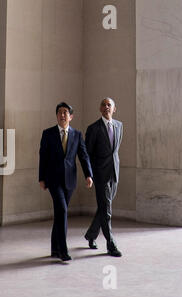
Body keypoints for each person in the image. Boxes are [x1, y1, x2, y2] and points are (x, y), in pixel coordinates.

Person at [39, 102, 93, 261]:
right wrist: (41, 177)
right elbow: (43, 157)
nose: (62, 115)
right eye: (60, 112)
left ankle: (54, 249)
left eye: (65, 112)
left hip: (70, 181)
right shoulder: (48, 134)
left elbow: (83, 156)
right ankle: (63, 250)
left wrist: (88, 175)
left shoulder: (77, 135)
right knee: (62, 211)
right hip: (53, 180)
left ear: (71, 116)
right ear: (56, 116)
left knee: (59, 214)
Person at [84, 98, 123, 257]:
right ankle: (110, 244)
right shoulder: (93, 128)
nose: (106, 107)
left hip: (114, 171)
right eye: (103, 104)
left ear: (114, 109)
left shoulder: (119, 125)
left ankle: (91, 235)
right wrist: (90, 174)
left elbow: (115, 151)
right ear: (100, 108)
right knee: (106, 210)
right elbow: (87, 154)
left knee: (103, 207)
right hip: (100, 175)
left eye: (109, 105)